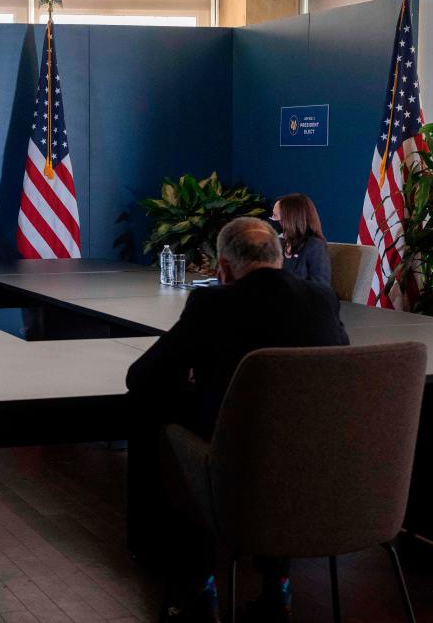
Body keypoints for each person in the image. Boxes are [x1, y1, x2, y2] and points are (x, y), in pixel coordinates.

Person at [125, 217, 349, 622]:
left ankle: (198, 587)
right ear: (280, 259)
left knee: (166, 424)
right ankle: (277, 588)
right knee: (283, 434)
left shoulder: (213, 303)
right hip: (321, 469)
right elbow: (336, 363)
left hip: (237, 472)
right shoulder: (322, 298)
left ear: (223, 268)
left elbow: (141, 377)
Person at [271, 193, 331, 287]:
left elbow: (320, 288)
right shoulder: (277, 245)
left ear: (291, 220)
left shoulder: (314, 246)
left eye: (276, 217)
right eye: (272, 217)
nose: (272, 222)